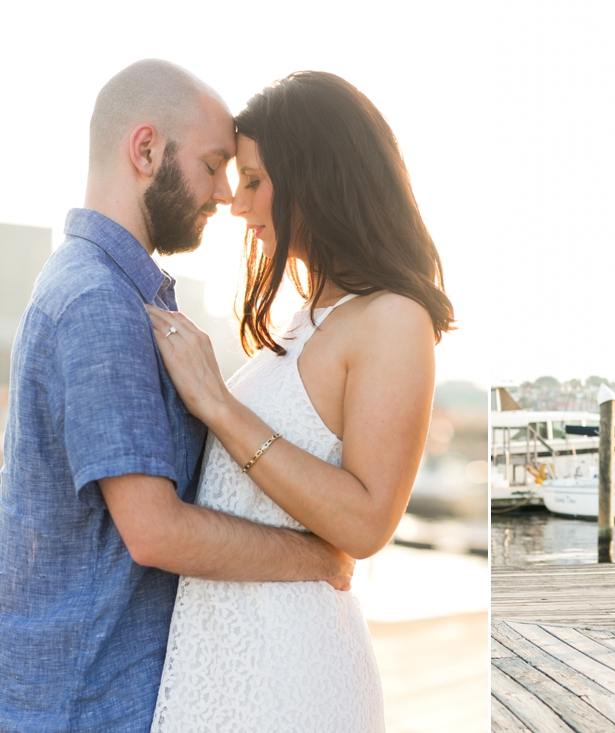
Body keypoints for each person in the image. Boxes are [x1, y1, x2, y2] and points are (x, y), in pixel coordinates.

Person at [0, 60, 354, 732]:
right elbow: (154, 530)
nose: (225, 193)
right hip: (89, 706)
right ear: (146, 150)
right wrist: (317, 556)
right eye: (214, 164)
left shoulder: (115, 290)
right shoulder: (97, 301)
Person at [145, 71, 453, 731]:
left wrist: (220, 408)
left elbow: (369, 522)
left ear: (316, 177)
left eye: (254, 181)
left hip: (289, 680)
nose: (237, 202)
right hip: (229, 669)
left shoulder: (392, 317)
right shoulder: (310, 314)